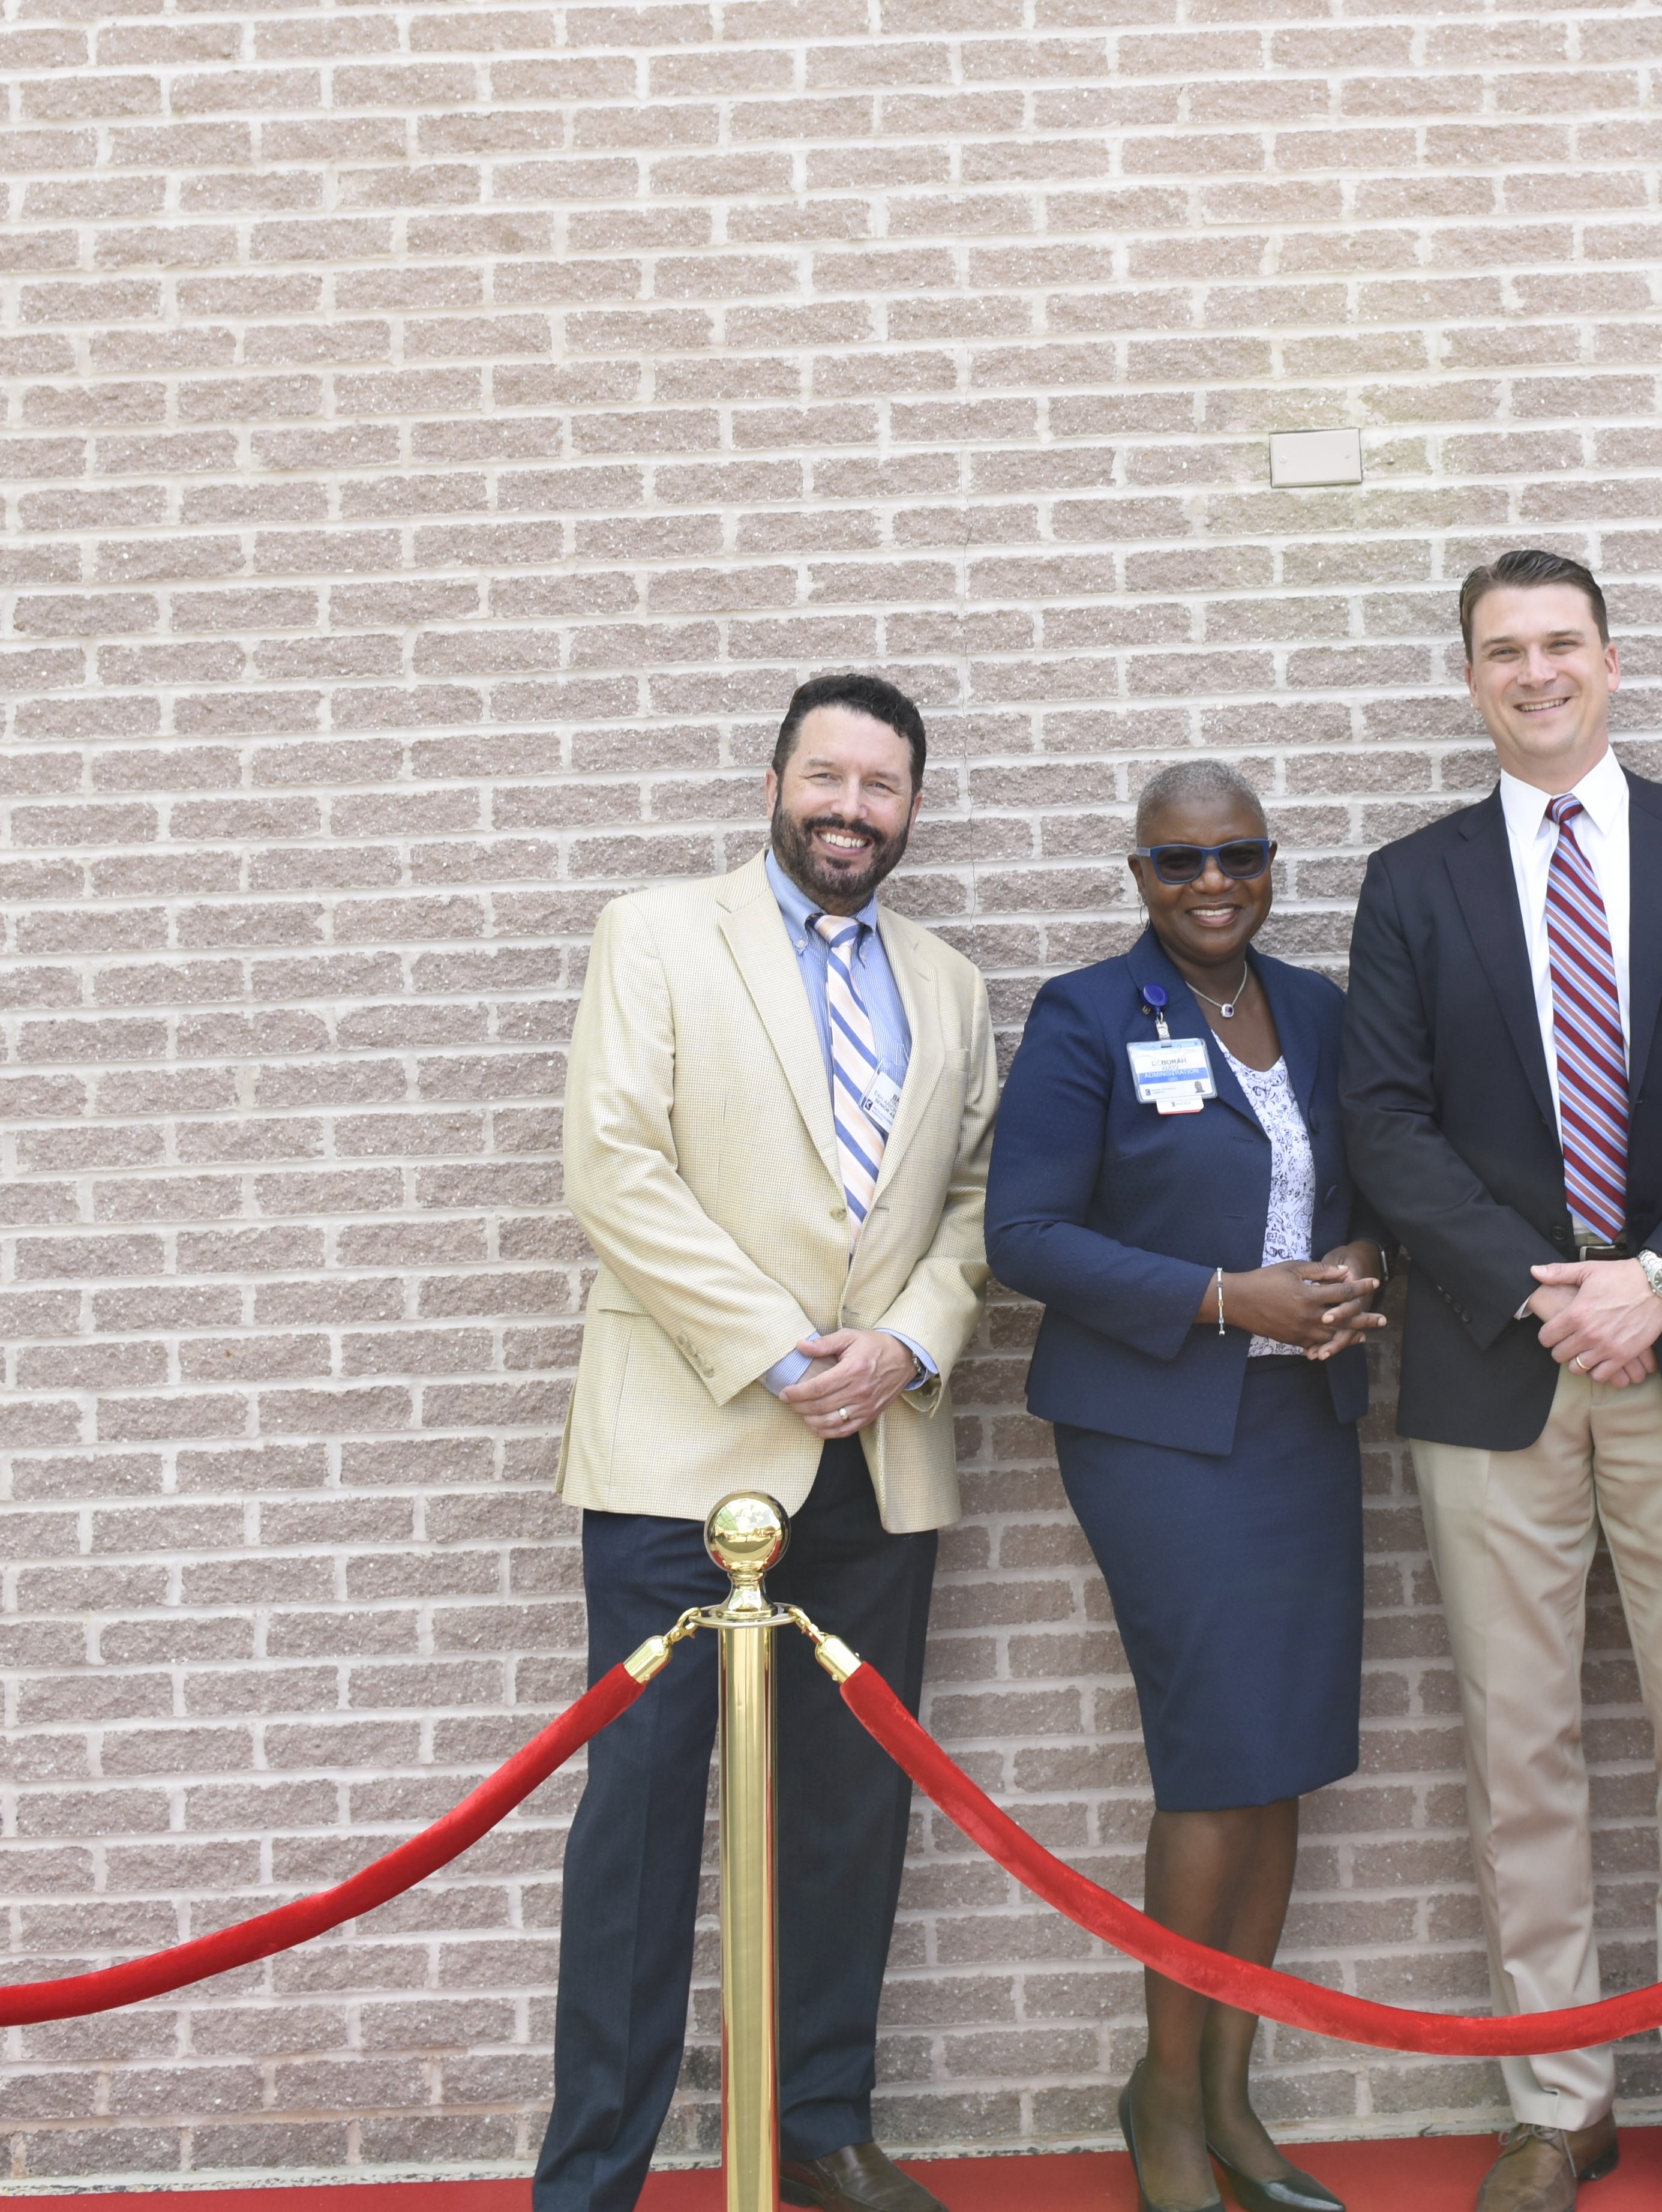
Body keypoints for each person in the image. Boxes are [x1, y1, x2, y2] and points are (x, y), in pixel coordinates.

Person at [1338, 550, 1662, 2212]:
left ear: (1612, 662)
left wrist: (1661, 1279)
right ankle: (1556, 2096)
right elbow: (1386, 1123)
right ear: (1471, 679)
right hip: (1500, 1373)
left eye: (1561, 643)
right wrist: (1547, 1295)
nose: (1535, 672)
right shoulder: (1413, 883)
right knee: (1519, 1743)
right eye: (1503, 651)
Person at [545, 673, 1000, 2212]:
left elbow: (973, 1201)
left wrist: (906, 1343)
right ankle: (594, 2170)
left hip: (878, 1448)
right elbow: (614, 1167)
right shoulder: (657, 934)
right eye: (827, 776)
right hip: (689, 1444)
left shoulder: (948, 979)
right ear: (773, 781)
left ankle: (821, 2124)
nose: (850, 808)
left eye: (881, 785)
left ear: (913, 807)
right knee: (642, 1823)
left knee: (847, 1813)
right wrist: (773, 1347)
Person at [986, 763, 1385, 2212]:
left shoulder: (1322, 1009)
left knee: (1279, 1764)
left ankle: (1229, 2088)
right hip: (1159, 1434)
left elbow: (1371, 1183)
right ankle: (1159, 2094)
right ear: (1137, 871)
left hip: (1301, 1423)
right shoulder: (1089, 1015)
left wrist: (1358, 1269)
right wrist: (1228, 1296)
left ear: (1271, 860)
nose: (1211, 882)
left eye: (1238, 854)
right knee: (1213, 1760)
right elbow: (1021, 1233)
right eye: (1178, 860)